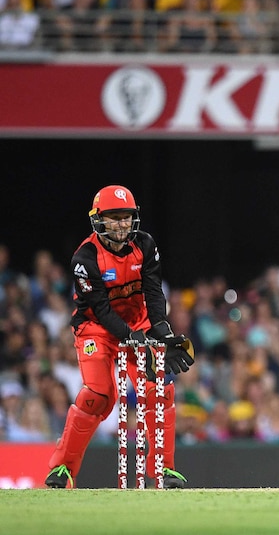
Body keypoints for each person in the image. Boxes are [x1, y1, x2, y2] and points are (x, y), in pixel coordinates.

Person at [45, 184, 195, 489]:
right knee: (99, 396)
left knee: (159, 388)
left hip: (138, 322)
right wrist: (130, 338)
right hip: (96, 328)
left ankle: (165, 471)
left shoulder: (146, 244)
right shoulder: (84, 259)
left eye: (126, 217)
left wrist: (162, 334)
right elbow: (100, 310)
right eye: (113, 217)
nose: (121, 224)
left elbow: (153, 293)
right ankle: (63, 469)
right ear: (99, 220)